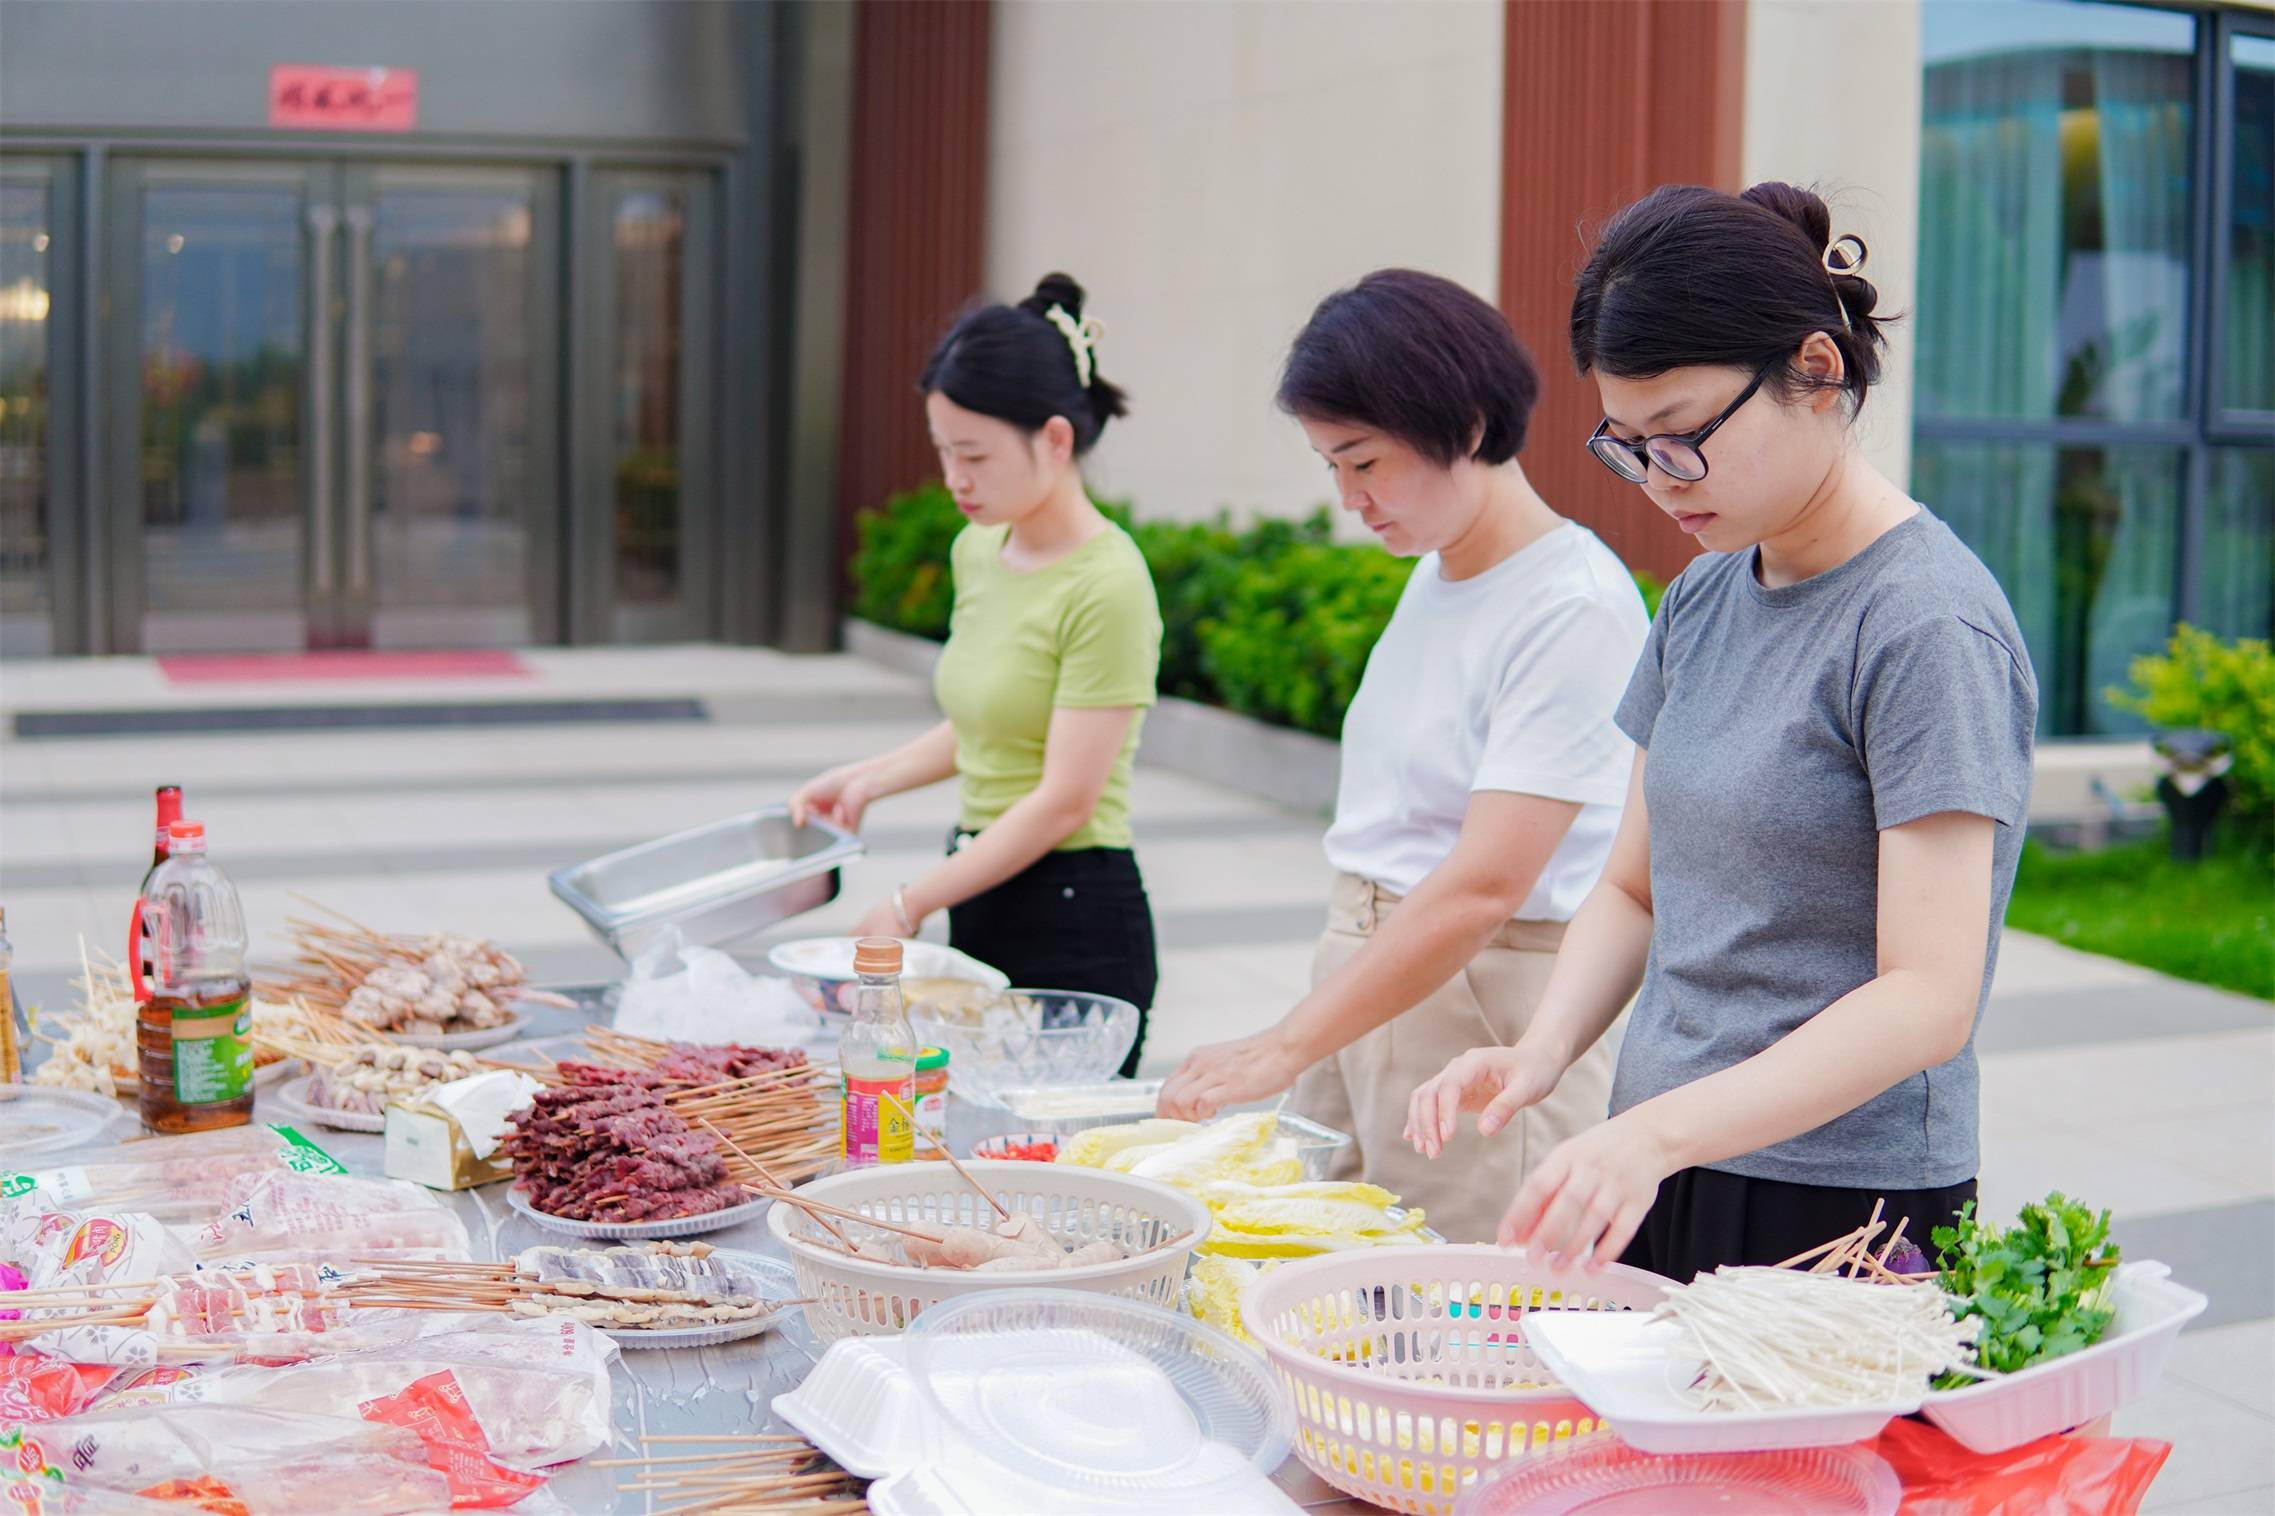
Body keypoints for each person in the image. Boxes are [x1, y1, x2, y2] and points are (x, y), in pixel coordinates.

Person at [1406, 183, 2038, 1283]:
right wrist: (1543, 1050)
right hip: (1662, 1153)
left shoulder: (1924, 623)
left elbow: (1926, 997)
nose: (1657, 479)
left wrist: (1657, 1134)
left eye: (1684, 436)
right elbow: (1632, 889)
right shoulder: (1701, 599)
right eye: (1629, 443)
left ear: (1816, 371)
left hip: (1843, 1196)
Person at [1157, 270, 1648, 1244]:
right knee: (1325, 1279)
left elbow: (1484, 883)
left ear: (1464, 425)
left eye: (1363, 462)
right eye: (1329, 466)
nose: (1346, 499)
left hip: (1480, 996)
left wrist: (1281, 1044)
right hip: (1372, 968)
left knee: (1451, 1322)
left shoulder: (1571, 605)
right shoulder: (1439, 572)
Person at [791, 274, 1164, 1076]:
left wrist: (908, 902)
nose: (955, 477)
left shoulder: (1109, 583)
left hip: (1074, 915)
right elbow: (986, 725)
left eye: (975, 454)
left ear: (1055, 441)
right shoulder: (979, 549)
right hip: (981, 884)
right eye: (942, 451)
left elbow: (1065, 799)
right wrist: (865, 779)